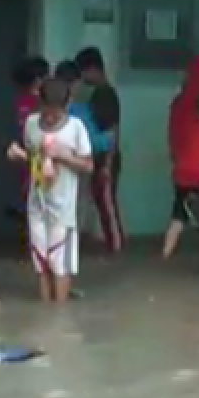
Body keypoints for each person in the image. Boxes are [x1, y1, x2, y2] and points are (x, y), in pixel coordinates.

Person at [8, 78, 93, 302]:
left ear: (67, 106)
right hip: (37, 203)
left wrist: (65, 156)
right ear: (39, 104)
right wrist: (19, 155)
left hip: (63, 208)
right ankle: (46, 311)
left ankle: (60, 315)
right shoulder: (31, 124)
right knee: (40, 259)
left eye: (56, 113)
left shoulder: (76, 128)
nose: (50, 117)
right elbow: (32, 157)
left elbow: (88, 165)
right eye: (46, 111)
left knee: (60, 263)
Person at [162, 55, 199, 259]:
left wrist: (176, 159)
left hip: (183, 171)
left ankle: (165, 255)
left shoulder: (179, 103)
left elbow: (172, 137)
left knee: (179, 215)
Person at [75, 46, 125, 254]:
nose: (83, 77)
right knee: (102, 202)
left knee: (107, 203)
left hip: (107, 157)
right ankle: (112, 245)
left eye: (83, 72)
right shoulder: (98, 94)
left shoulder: (105, 95)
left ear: (93, 69)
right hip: (100, 157)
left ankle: (116, 247)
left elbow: (113, 130)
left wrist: (107, 163)